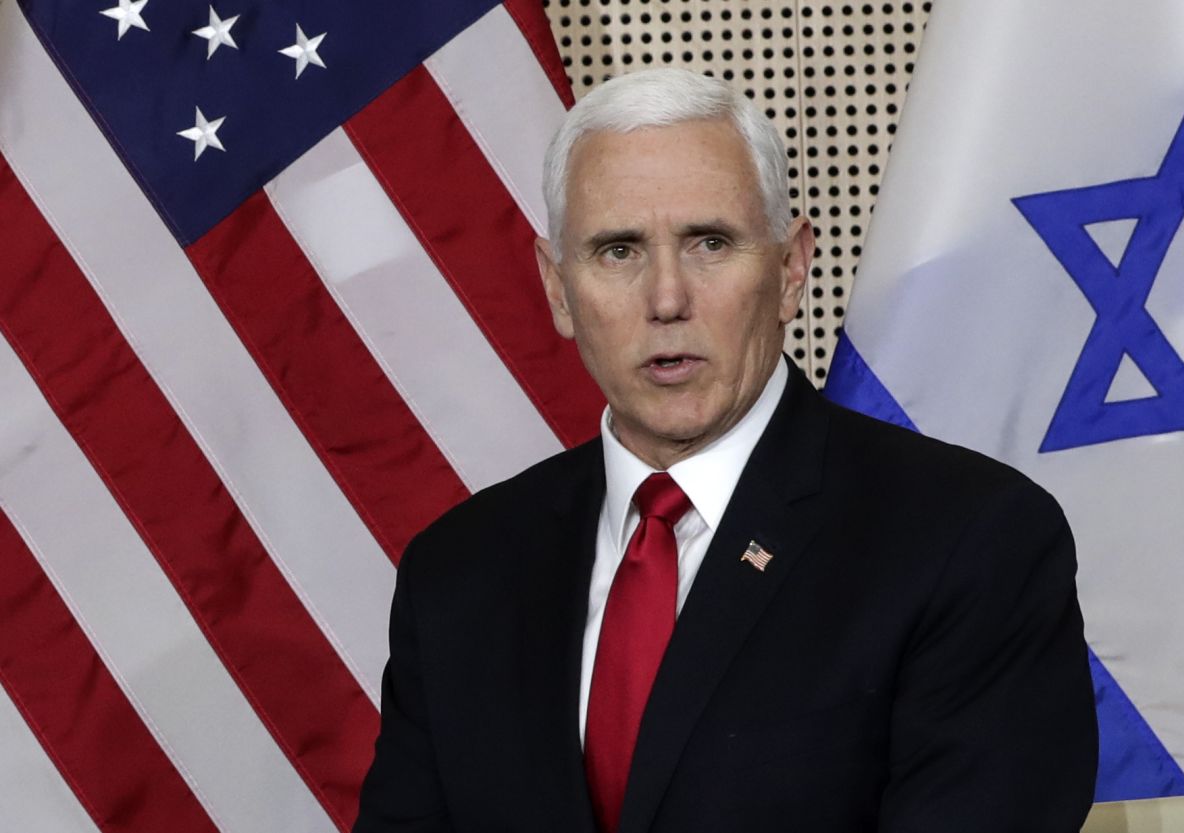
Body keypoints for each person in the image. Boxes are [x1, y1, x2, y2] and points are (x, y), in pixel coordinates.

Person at [353, 67, 1097, 833]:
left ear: (789, 268)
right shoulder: (458, 573)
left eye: (710, 243)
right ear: (557, 289)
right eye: (618, 250)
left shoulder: (971, 543)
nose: (667, 298)